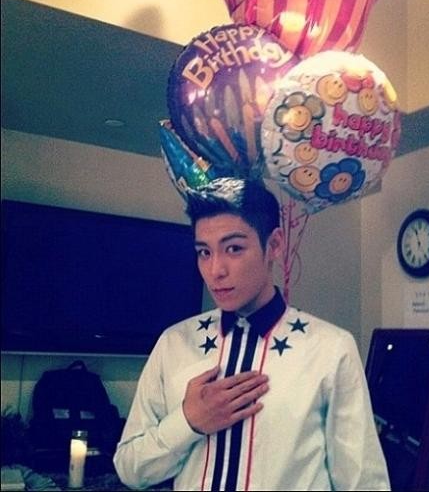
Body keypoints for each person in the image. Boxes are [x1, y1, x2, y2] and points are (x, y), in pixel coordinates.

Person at [113, 178, 390, 491]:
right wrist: (188, 422)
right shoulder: (174, 343)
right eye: (204, 252)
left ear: (274, 245)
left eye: (234, 248)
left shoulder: (331, 349)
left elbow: (364, 484)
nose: (215, 270)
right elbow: (130, 470)